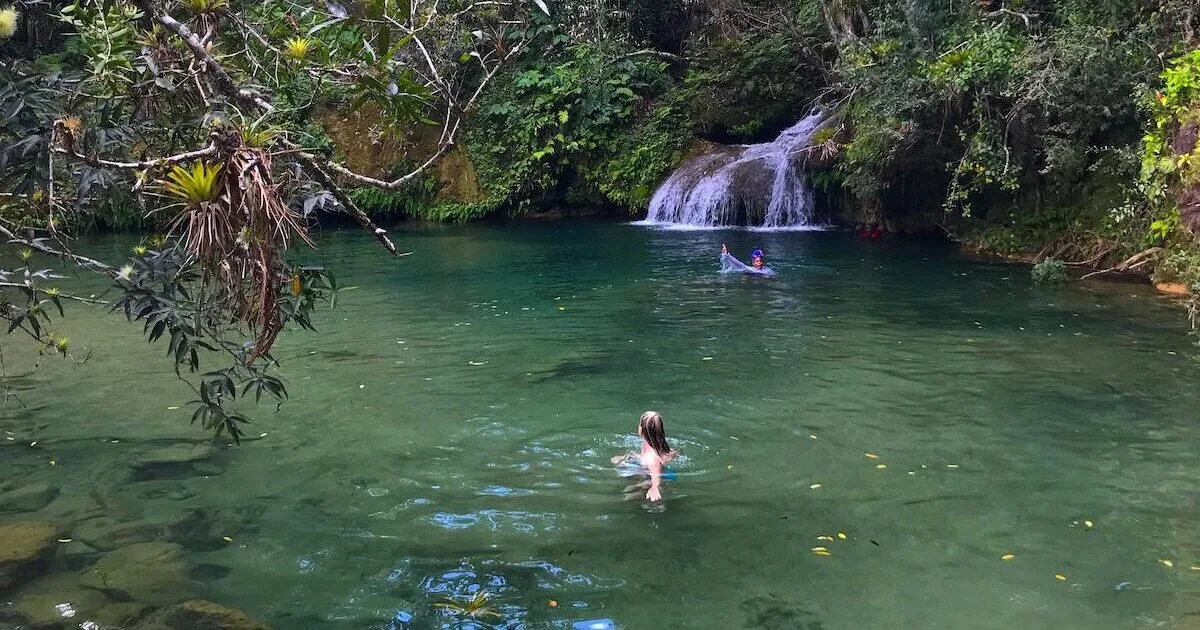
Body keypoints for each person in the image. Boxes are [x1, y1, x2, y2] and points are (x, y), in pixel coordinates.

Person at [610, 410, 677, 502]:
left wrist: (654, 488)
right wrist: (624, 457)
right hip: (657, 472)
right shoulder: (652, 443)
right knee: (624, 470)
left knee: (628, 491)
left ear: (641, 429)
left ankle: (657, 504)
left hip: (661, 477)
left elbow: (655, 473)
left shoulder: (652, 456)